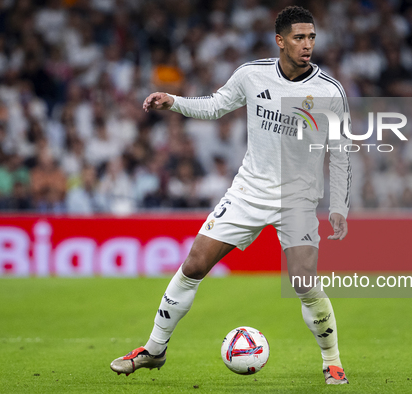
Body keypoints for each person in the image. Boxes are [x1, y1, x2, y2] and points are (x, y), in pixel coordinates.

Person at [110, 6, 351, 385]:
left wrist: (339, 205)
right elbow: (215, 105)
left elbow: (340, 152)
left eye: (312, 37)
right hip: (249, 191)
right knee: (194, 265)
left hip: (298, 200)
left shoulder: (329, 92)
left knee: (304, 282)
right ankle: (154, 350)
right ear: (281, 41)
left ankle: (331, 360)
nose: (308, 45)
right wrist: (174, 101)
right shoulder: (252, 75)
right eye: (299, 38)